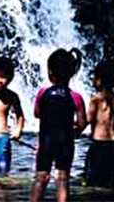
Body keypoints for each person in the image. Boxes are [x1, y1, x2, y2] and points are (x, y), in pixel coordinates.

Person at [30, 48, 87, 202]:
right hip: (66, 143)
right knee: (62, 179)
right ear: (72, 74)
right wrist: (74, 131)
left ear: (50, 72)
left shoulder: (43, 93)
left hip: (46, 142)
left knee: (40, 178)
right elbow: (82, 123)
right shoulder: (76, 97)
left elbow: (37, 114)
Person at [84, 60, 114, 190]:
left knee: (93, 181)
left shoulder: (95, 99)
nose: (92, 80)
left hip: (98, 145)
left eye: (94, 77)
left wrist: (74, 127)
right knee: (110, 179)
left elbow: (88, 119)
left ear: (100, 80)